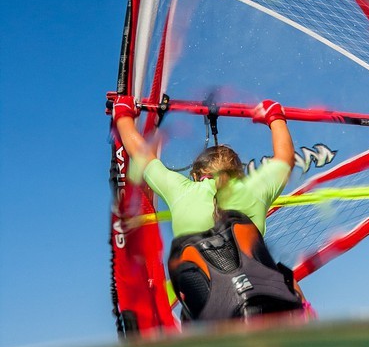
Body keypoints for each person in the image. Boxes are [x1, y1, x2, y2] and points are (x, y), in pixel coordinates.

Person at [111, 94, 306, 323]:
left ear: (195, 176)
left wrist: (123, 114)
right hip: (265, 305)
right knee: (287, 280)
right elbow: (285, 158)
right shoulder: (255, 189)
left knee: (188, 285)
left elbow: (141, 155)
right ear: (239, 172)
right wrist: (275, 116)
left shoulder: (180, 190)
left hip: (210, 314)